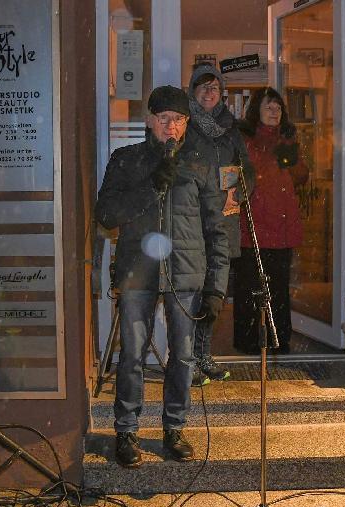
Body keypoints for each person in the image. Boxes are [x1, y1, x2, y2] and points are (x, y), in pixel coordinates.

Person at [95, 85, 229, 468]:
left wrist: (216, 287)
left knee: (183, 356)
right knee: (133, 353)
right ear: (149, 120)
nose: (172, 127)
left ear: (187, 125)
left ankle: (174, 429)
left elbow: (216, 228)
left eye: (180, 120)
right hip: (139, 272)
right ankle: (126, 430)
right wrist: (151, 186)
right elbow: (106, 214)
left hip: (185, 273)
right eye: (165, 119)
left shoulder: (200, 163)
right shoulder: (126, 159)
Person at [185, 63, 255, 385]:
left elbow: (248, 172)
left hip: (224, 225)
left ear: (222, 93)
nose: (209, 92)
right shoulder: (183, 128)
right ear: (193, 92)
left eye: (214, 87)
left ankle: (203, 356)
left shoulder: (232, 129)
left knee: (214, 297)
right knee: (191, 296)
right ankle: (186, 361)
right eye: (203, 87)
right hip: (192, 225)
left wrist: (238, 194)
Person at [234, 87, 308, 355]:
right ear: (257, 110)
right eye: (269, 107)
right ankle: (249, 342)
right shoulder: (245, 138)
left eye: (278, 108)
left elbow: (300, 175)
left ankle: (278, 341)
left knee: (278, 287)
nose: (275, 112)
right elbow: (251, 173)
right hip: (252, 225)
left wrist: (289, 149)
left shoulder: (287, 138)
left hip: (281, 226)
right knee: (250, 287)